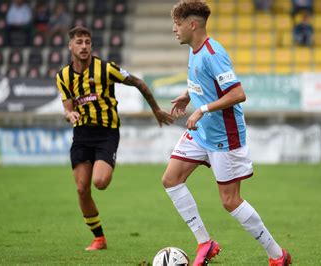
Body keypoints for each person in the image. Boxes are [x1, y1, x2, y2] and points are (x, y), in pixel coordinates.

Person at [163, 1, 291, 266]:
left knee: (230, 201)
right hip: (201, 133)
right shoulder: (194, 50)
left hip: (224, 136)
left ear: (192, 24)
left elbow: (237, 94)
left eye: (177, 24)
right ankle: (205, 242)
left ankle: (277, 255)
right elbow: (203, 80)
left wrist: (202, 109)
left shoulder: (213, 52)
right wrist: (189, 95)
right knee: (171, 179)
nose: (174, 29)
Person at [56, 26, 173, 251]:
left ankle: (106, 162)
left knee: (100, 182)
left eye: (87, 42)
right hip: (81, 134)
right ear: (71, 46)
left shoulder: (106, 68)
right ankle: (99, 238)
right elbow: (67, 107)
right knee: (82, 189)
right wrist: (69, 114)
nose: (83, 46)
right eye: (79, 42)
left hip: (106, 133)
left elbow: (139, 83)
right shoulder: (63, 76)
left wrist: (156, 109)